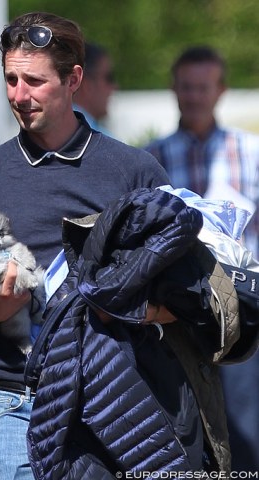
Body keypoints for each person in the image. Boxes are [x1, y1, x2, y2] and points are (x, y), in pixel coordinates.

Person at [0, 13, 238, 479]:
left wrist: (125, 308)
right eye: (11, 79)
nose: (19, 95)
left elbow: (188, 299)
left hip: (121, 400)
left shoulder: (134, 170)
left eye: (34, 81)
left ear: (74, 79)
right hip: (20, 401)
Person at [144, 45, 259, 472]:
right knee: (184, 420)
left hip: (242, 306)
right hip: (183, 308)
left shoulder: (251, 152)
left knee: (246, 421)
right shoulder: (152, 158)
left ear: (220, 90)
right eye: (186, 87)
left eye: (202, 88)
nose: (194, 96)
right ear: (174, 89)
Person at [73, 41, 117, 135]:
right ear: (86, 85)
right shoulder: (102, 141)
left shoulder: (45, 133)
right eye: (109, 78)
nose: (114, 87)